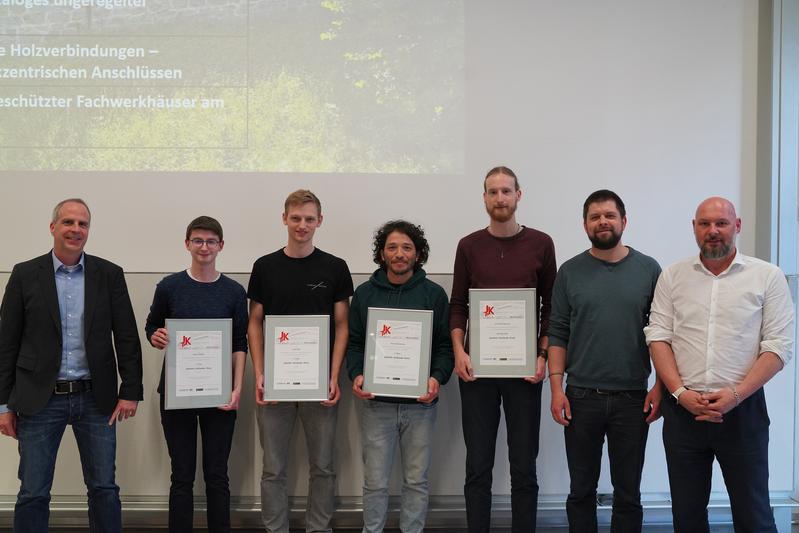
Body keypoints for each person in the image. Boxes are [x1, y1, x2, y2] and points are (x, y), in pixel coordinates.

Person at [645, 196, 795, 533]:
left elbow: (778, 347)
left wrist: (737, 395)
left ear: (737, 226)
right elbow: (658, 337)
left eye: (721, 223)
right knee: (687, 516)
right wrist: (680, 392)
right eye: (705, 224)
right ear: (694, 229)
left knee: (754, 515)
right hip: (684, 412)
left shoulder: (767, 277)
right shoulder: (672, 276)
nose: (713, 231)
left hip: (743, 412)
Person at [0, 198, 143, 532]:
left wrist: (131, 390)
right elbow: (6, 345)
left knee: (104, 489)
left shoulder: (109, 274)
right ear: (53, 227)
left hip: (96, 399)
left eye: (83, 224)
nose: (76, 230)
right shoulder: (24, 275)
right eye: (68, 222)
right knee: (33, 492)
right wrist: (4, 404)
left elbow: (126, 336)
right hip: (39, 400)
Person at [449, 166, 556, 533]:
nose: (500, 199)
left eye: (506, 191)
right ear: (484, 198)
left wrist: (542, 356)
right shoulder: (468, 245)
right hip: (476, 371)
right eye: (493, 192)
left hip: (525, 371)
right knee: (478, 464)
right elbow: (459, 304)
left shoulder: (541, 243)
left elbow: (550, 307)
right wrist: (458, 352)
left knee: (524, 465)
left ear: (518, 195)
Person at [547, 189, 662, 532]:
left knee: (628, 494)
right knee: (581, 490)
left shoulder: (648, 269)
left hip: (633, 398)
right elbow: (558, 332)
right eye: (595, 216)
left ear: (624, 221)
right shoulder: (569, 272)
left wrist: (660, 386)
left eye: (610, 215)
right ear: (585, 224)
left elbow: (663, 334)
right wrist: (556, 388)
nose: (603, 222)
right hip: (581, 396)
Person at [247, 190, 353, 533]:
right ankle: (275, 529)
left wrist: (334, 375)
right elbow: (254, 323)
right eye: (296, 218)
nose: (302, 225)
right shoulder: (264, 267)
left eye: (309, 219)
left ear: (319, 221)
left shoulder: (335, 268)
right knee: (273, 468)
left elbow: (342, 325)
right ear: (284, 219)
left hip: (320, 383)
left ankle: (317, 528)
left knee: (323, 466)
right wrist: (261, 373)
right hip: (275, 384)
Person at [346, 219, 454, 533]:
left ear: (418, 254)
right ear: (382, 254)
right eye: (392, 247)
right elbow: (355, 343)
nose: (399, 254)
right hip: (376, 404)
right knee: (375, 482)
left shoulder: (434, 295)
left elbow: (445, 346)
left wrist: (437, 377)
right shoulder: (365, 294)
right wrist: (357, 374)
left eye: (407, 247)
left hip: (420, 405)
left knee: (416, 481)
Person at [145, 216, 248, 532]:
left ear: (221, 246)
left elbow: (238, 343)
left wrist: (236, 389)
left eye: (211, 241)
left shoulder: (233, 291)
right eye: (198, 240)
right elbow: (153, 326)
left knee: (217, 475)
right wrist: (156, 337)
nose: (204, 247)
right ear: (187, 243)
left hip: (220, 396)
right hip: (178, 394)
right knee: (182, 476)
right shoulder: (169, 286)